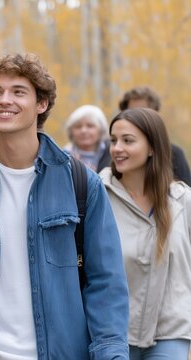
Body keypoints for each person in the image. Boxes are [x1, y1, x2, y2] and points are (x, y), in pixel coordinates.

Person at [0, 53, 129, 359]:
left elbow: (106, 285)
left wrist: (110, 353)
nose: (5, 100)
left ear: (41, 104)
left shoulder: (82, 185)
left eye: (18, 91)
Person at [100, 108, 191, 359]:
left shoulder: (182, 200)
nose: (117, 148)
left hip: (171, 330)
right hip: (114, 331)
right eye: (113, 141)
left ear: (152, 147)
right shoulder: (98, 195)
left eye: (128, 141)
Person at [118, 86, 191, 185]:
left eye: (144, 112)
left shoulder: (174, 154)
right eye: (132, 112)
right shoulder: (116, 151)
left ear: (155, 114)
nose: (137, 118)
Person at [63, 104, 111, 172]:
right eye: (78, 126)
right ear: (71, 132)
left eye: (90, 126)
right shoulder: (63, 157)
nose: (83, 131)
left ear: (101, 129)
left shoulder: (112, 153)